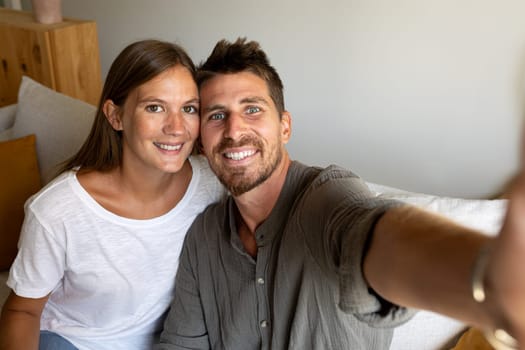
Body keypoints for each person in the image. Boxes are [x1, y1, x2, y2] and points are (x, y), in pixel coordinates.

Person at [156, 37, 525, 349]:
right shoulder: (203, 238)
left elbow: (373, 232)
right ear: (201, 142)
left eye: (252, 109)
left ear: (284, 127)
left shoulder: (324, 198)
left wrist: (486, 279)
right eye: (216, 115)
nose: (235, 130)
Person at [0, 39, 225, 350]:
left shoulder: (213, 184)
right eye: (155, 107)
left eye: (189, 109)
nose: (177, 128)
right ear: (115, 116)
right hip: (72, 340)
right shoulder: (57, 210)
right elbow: (22, 310)